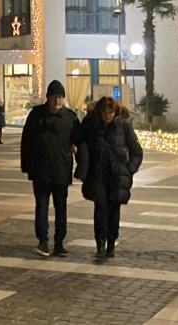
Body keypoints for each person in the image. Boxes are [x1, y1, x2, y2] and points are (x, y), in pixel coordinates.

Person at [77, 96, 143, 259]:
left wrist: (129, 170)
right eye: (104, 113)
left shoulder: (123, 126)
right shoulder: (91, 125)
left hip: (117, 175)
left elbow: (136, 151)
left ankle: (111, 244)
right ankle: (100, 243)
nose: (107, 116)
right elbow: (83, 146)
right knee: (100, 209)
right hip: (97, 174)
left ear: (115, 112)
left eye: (110, 113)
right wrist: (83, 166)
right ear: (99, 112)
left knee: (114, 210)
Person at [20, 79, 80, 257]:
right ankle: (43, 241)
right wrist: (26, 166)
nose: (57, 101)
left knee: (61, 208)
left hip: (61, 169)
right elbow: (26, 141)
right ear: (48, 98)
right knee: (42, 206)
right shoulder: (36, 115)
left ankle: (60, 242)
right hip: (40, 169)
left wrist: (77, 152)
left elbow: (79, 140)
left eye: (60, 98)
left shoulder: (70, 117)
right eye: (54, 97)